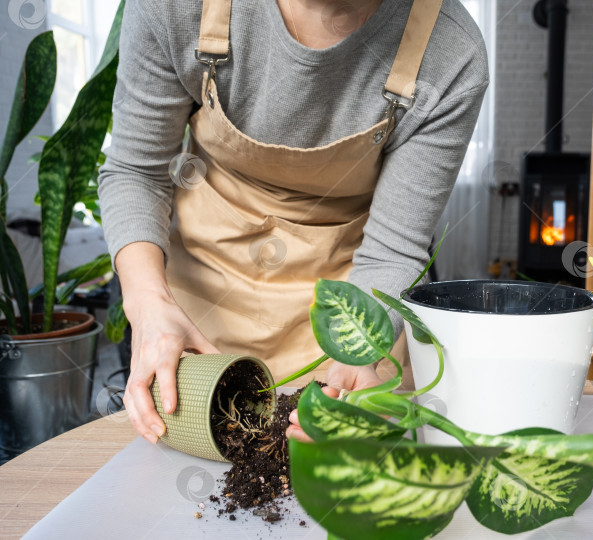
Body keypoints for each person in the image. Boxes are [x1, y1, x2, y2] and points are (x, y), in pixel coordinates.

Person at [98, 0, 488, 444]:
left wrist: (359, 351)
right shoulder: (176, 7)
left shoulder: (449, 51)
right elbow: (137, 170)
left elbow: (393, 250)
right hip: (195, 317)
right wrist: (148, 306)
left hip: (349, 310)